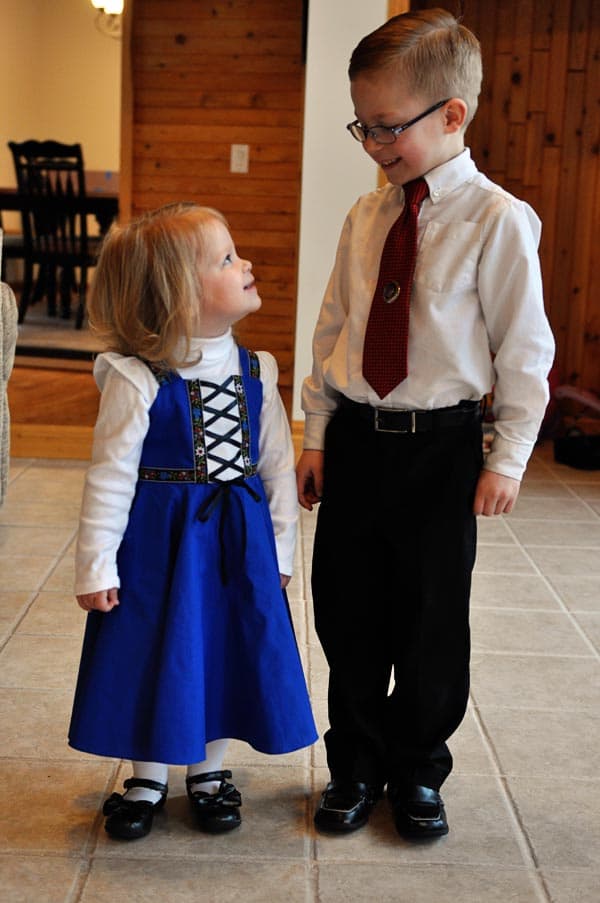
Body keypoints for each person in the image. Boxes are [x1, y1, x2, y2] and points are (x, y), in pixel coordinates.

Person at [296, 9, 554, 841]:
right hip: (356, 443)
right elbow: (334, 326)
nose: (372, 144)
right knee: (348, 611)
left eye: (387, 127)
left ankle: (417, 769)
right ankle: (355, 763)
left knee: (431, 617)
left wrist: (507, 456)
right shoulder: (367, 219)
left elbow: (524, 350)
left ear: (453, 115)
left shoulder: (497, 222)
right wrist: (313, 430)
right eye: (362, 125)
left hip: (441, 448)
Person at [69, 203, 317, 840]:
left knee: (224, 646)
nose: (247, 263)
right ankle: (147, 776)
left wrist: (281, 554)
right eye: (228, 259)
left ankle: (208, 772)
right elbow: (110, 476)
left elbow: (275, 473)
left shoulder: (257, 370)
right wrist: (96, 563)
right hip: (158, 547)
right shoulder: (135, 376)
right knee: (154, 650)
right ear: (177, 292)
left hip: (236, 543)